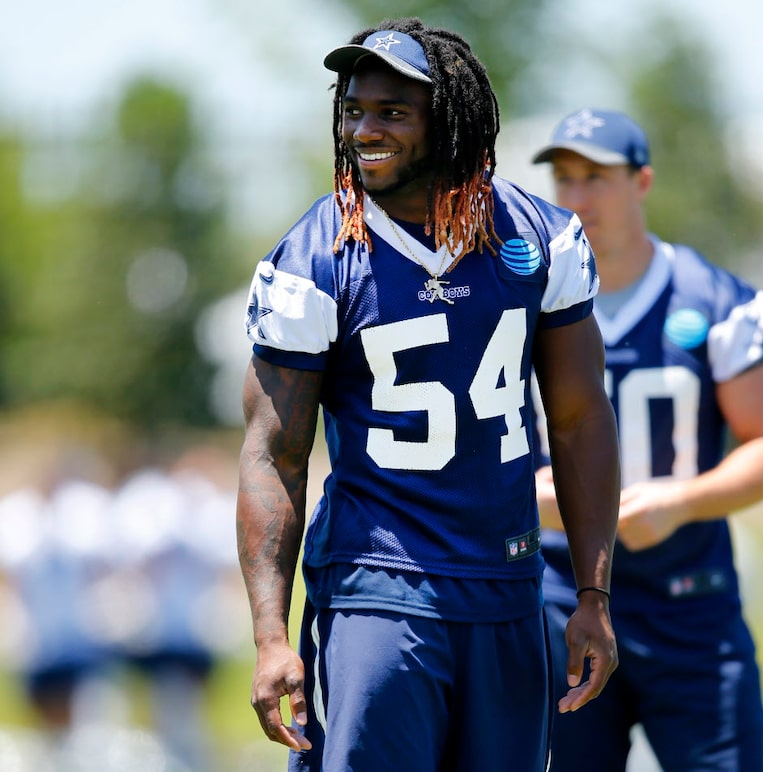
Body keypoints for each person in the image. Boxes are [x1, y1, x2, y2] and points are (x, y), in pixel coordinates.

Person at [236, 19, 620, 772]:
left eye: (391, 112)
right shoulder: (315, 258)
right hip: (379, 589)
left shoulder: (540, 238)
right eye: (352, 109)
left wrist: (593, 594)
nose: (362, 130)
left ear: (448, 121)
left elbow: (578, 420)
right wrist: (270, 636)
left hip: (508, 586)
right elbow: (273, 454)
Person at [530, 108, 763, 771]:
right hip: (560, 599)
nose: (576, 196)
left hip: (690, 601)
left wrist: (680, 502)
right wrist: (524, 494)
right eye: (564, 178)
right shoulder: (523, 300)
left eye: (596, 176)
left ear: (642, 182)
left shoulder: (712, 299)